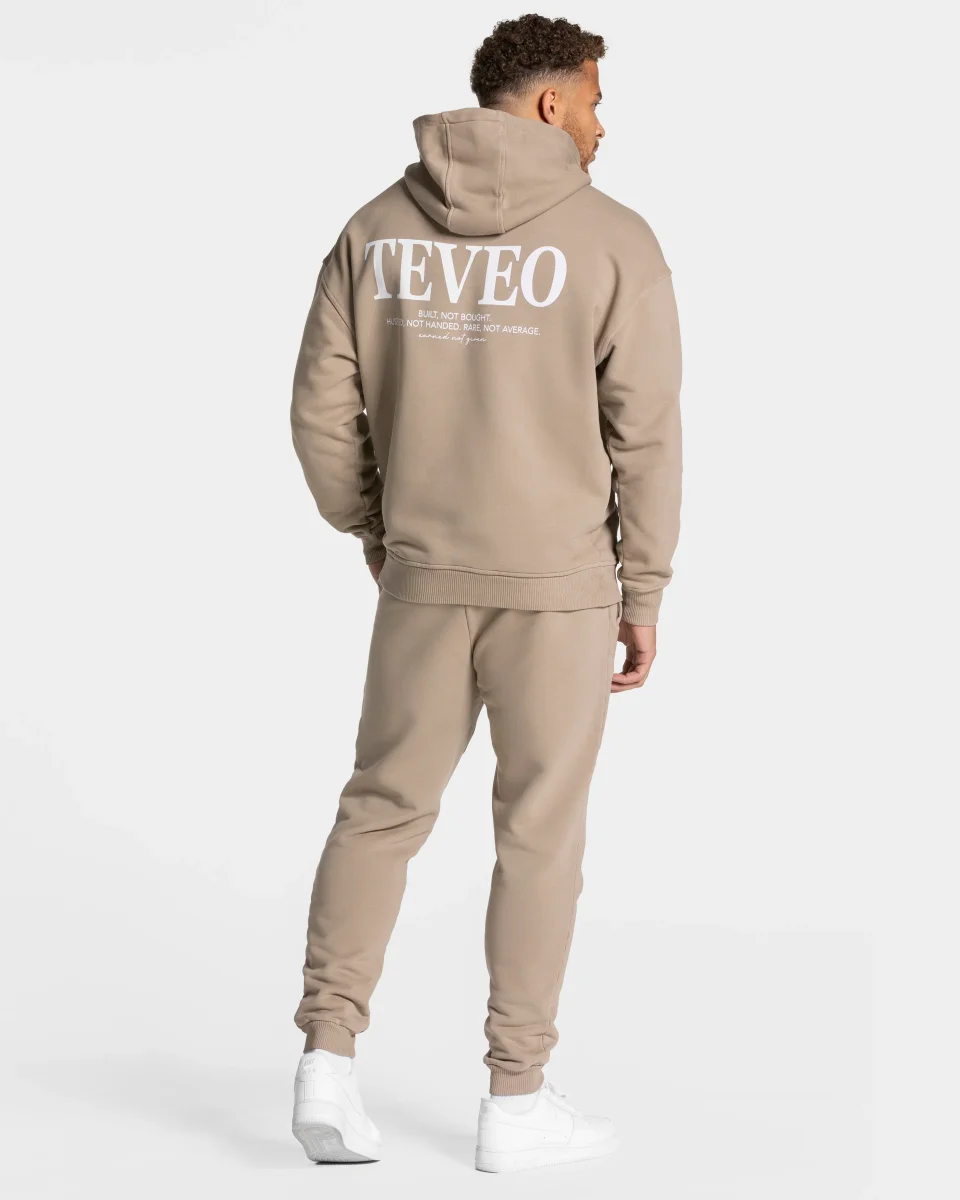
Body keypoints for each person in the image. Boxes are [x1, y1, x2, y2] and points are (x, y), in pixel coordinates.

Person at [288, 13, 682, 1174]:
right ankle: (515, 1100)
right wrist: (644, 586)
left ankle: (325, 1060)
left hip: (422, 579)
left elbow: (319, 413)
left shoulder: (374, 230)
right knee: (539, 838)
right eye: (596, 101)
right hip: (559, 591)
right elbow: (648, 437)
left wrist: (376, 528)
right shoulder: (615, 241)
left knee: (380, 808)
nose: (603, 126)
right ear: (552, 102)